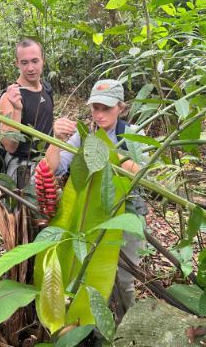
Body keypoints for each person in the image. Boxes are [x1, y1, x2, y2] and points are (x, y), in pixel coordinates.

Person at [45, 79, 148, 311]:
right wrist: (56, 139)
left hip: (126, 216)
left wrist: (107, 153)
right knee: (87, 276)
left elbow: (143, 174)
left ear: (121, 108)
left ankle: (125, 330)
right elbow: (54, 168)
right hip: (92, 218)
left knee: (123, 279)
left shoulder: (131, 135)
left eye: (107, 108)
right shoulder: (83, 135)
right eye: (95, 108)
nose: (99, 115)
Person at [0, 38, 53, 188]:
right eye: (24, 62)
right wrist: (17, 109)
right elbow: (10, 146)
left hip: (46, 164)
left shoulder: (46, 88)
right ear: (17, 63)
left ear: (43, 60)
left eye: (35, 61)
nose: (30, 68)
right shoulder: (10, 96)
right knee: (23, 211)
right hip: (23, 168)